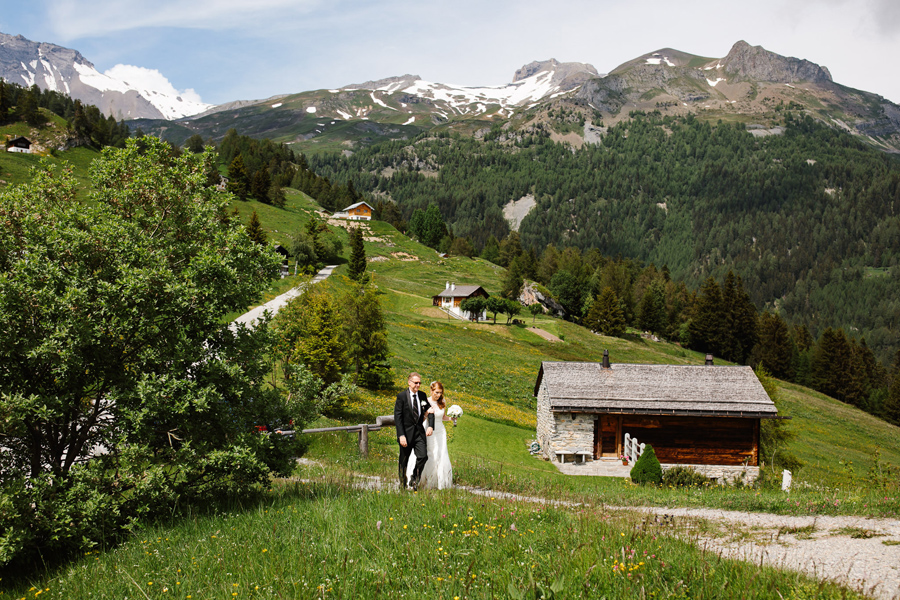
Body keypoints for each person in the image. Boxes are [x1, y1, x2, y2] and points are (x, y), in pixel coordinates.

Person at [406, 381, 455, 489]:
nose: (438, 395)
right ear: (431, 390)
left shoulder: (442, 402)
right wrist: (427, 413)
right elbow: (421, 419)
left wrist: (452, 418)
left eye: (440, 393)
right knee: (430, 453)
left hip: (440, 431)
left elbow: (443, 417)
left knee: (441, 453)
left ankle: (438, 481)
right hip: (428, 431)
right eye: (436, 392)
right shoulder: (425, 401)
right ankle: (421, 479)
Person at [394, 372, 433, 490]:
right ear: (409, 382)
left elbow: (430, 410)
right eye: (416, 383)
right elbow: (398, 417)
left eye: (420, 383)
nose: (418, 385)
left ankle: (414, 478)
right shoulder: (401, 396)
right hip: (405, 434)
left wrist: (431, 426)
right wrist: (401, 435)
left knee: (423, 456)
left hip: (419, 433)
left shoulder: (422, 395)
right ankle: (402, 483)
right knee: (403, 460)